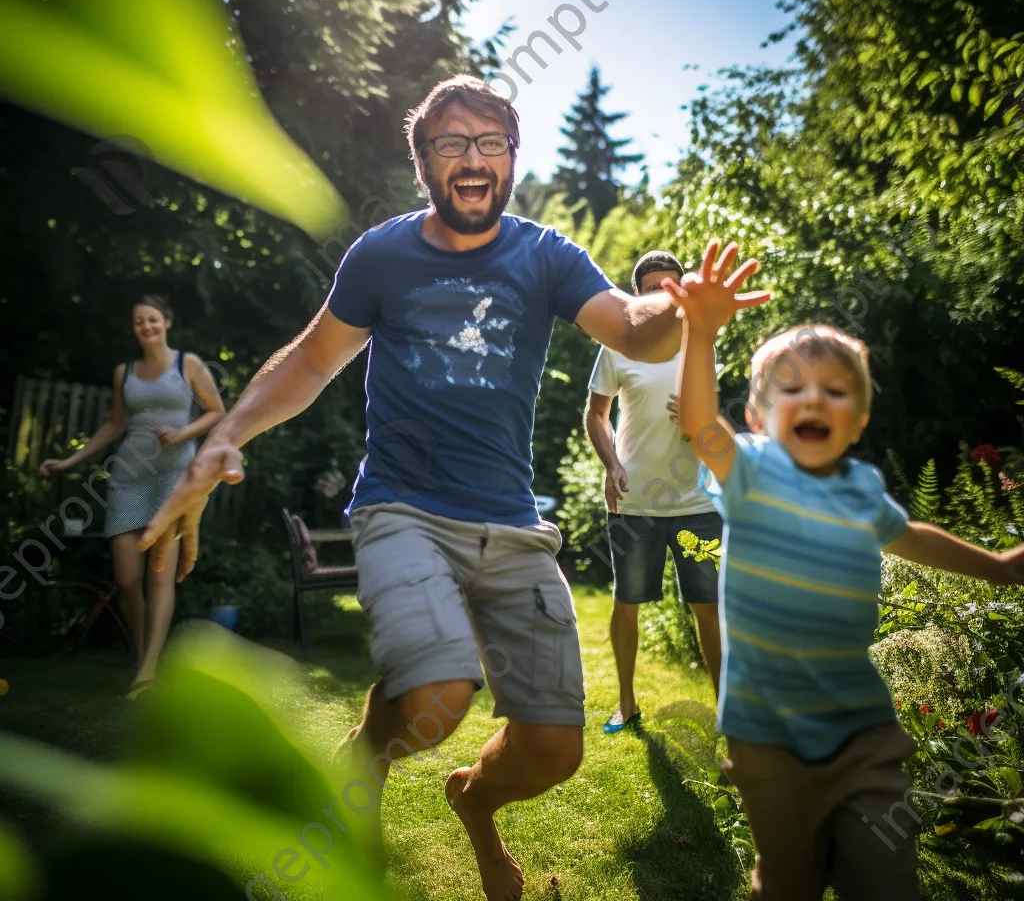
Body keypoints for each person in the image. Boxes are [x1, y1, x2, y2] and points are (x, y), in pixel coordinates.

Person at [137, 74, 685, 901]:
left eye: (490, 142)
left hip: (512, 519)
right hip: (402, 506)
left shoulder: (546, 256)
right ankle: (366, 751)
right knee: (436, 696)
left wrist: (688, 309)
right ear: (423, 162)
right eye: (451, 143)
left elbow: (634, 326)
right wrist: (222, 436)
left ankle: (474, 804)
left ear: (511, 158)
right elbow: (313, 358)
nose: (473, 158)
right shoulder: (383, 255)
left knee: (552, 751)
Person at [665, 240, 1024, 901]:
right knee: (789, 883)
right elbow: (696, 424)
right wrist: (701, 330)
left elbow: (911, 536)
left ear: (856, 420)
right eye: (792, 388)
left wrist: (1000, 567)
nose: (814, 400)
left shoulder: (860, 490)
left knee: (886, 878)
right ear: (756, 415)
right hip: (768, 740)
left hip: (862, 732)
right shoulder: (750, 471)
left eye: (834, 392)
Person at [40, 295, 225, 698]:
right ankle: (145, 657)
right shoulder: (124, 372)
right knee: (126, 579)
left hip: (174, 477)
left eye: (153, 319)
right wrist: (71, 461)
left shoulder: (187, 364)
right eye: (139, 321)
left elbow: (216, 412)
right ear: (134, 328)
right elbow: (114, 424)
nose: (147, 326)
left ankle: (146, 672)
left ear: (167, 321)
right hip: (129, 476)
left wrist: (183, 433)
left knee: (160, 576)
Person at [585, 250, 723, 735]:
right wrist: (612, 463)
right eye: (653, 287)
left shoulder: (701, 341)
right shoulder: (617, 345)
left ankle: (727, 711)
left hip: (698, 503)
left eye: (673, 285)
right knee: (628, 602)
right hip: (634, 500)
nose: (665, 294)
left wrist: (695, 419)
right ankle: (626, 703)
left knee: (709, 609)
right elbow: (596, 416)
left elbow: (711, 426)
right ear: (637, 295)